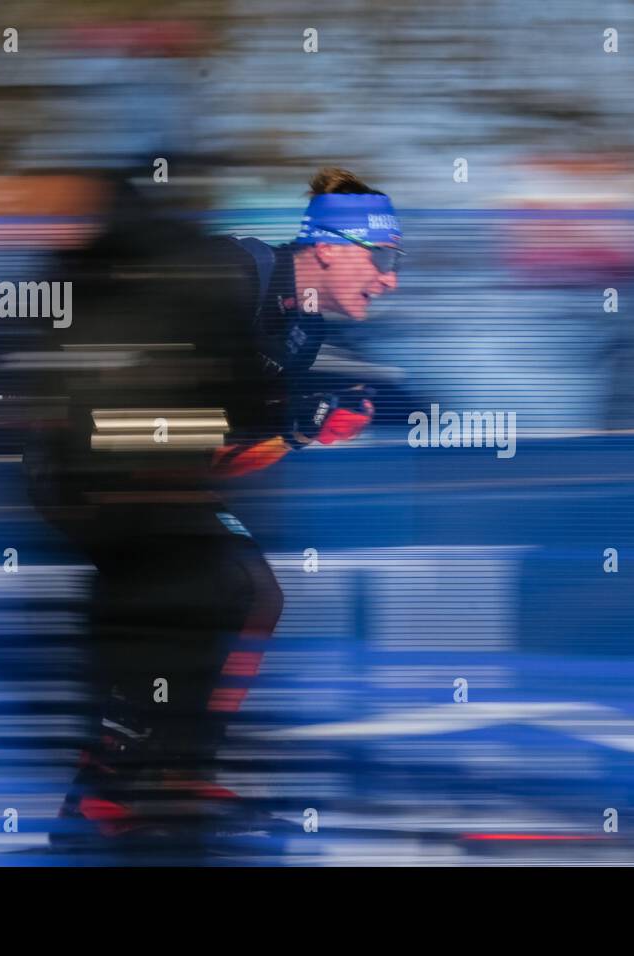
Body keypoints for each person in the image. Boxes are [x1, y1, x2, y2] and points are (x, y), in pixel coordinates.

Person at [23, 167, 404, 854]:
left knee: (257, 595)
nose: (390, 280)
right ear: (327, 247)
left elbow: (217, 460)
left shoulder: (302, 335)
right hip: (83, 456)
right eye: (381, 258)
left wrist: (293, 433)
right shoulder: (236, 275)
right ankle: (120, 788)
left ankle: (160, 779)